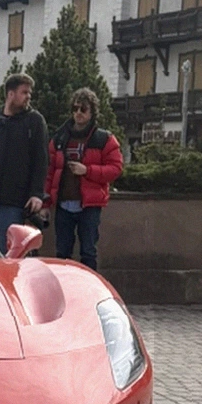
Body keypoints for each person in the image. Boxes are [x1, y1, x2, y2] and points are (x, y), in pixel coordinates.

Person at [42, 87, 123, 271]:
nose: (78, 113)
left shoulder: (104, 139)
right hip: (63, 204)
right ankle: (64, 286)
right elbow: (49, 172)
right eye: (75, 108)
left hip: (89, 206)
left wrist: (87, 170)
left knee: (88, 252)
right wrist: (45, 203)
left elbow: (115, 169)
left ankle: (89, 287)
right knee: (62, 253)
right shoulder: (60, 138)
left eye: (83, 109)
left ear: (92, 112)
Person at [0, 72, 48, 254]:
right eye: (24, 92)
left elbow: (41, 160)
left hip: (14, 199)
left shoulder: (35, 122)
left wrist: (37, 193)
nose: (28, 97)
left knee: (9, 252)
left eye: (29, 93)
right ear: (11, 94)